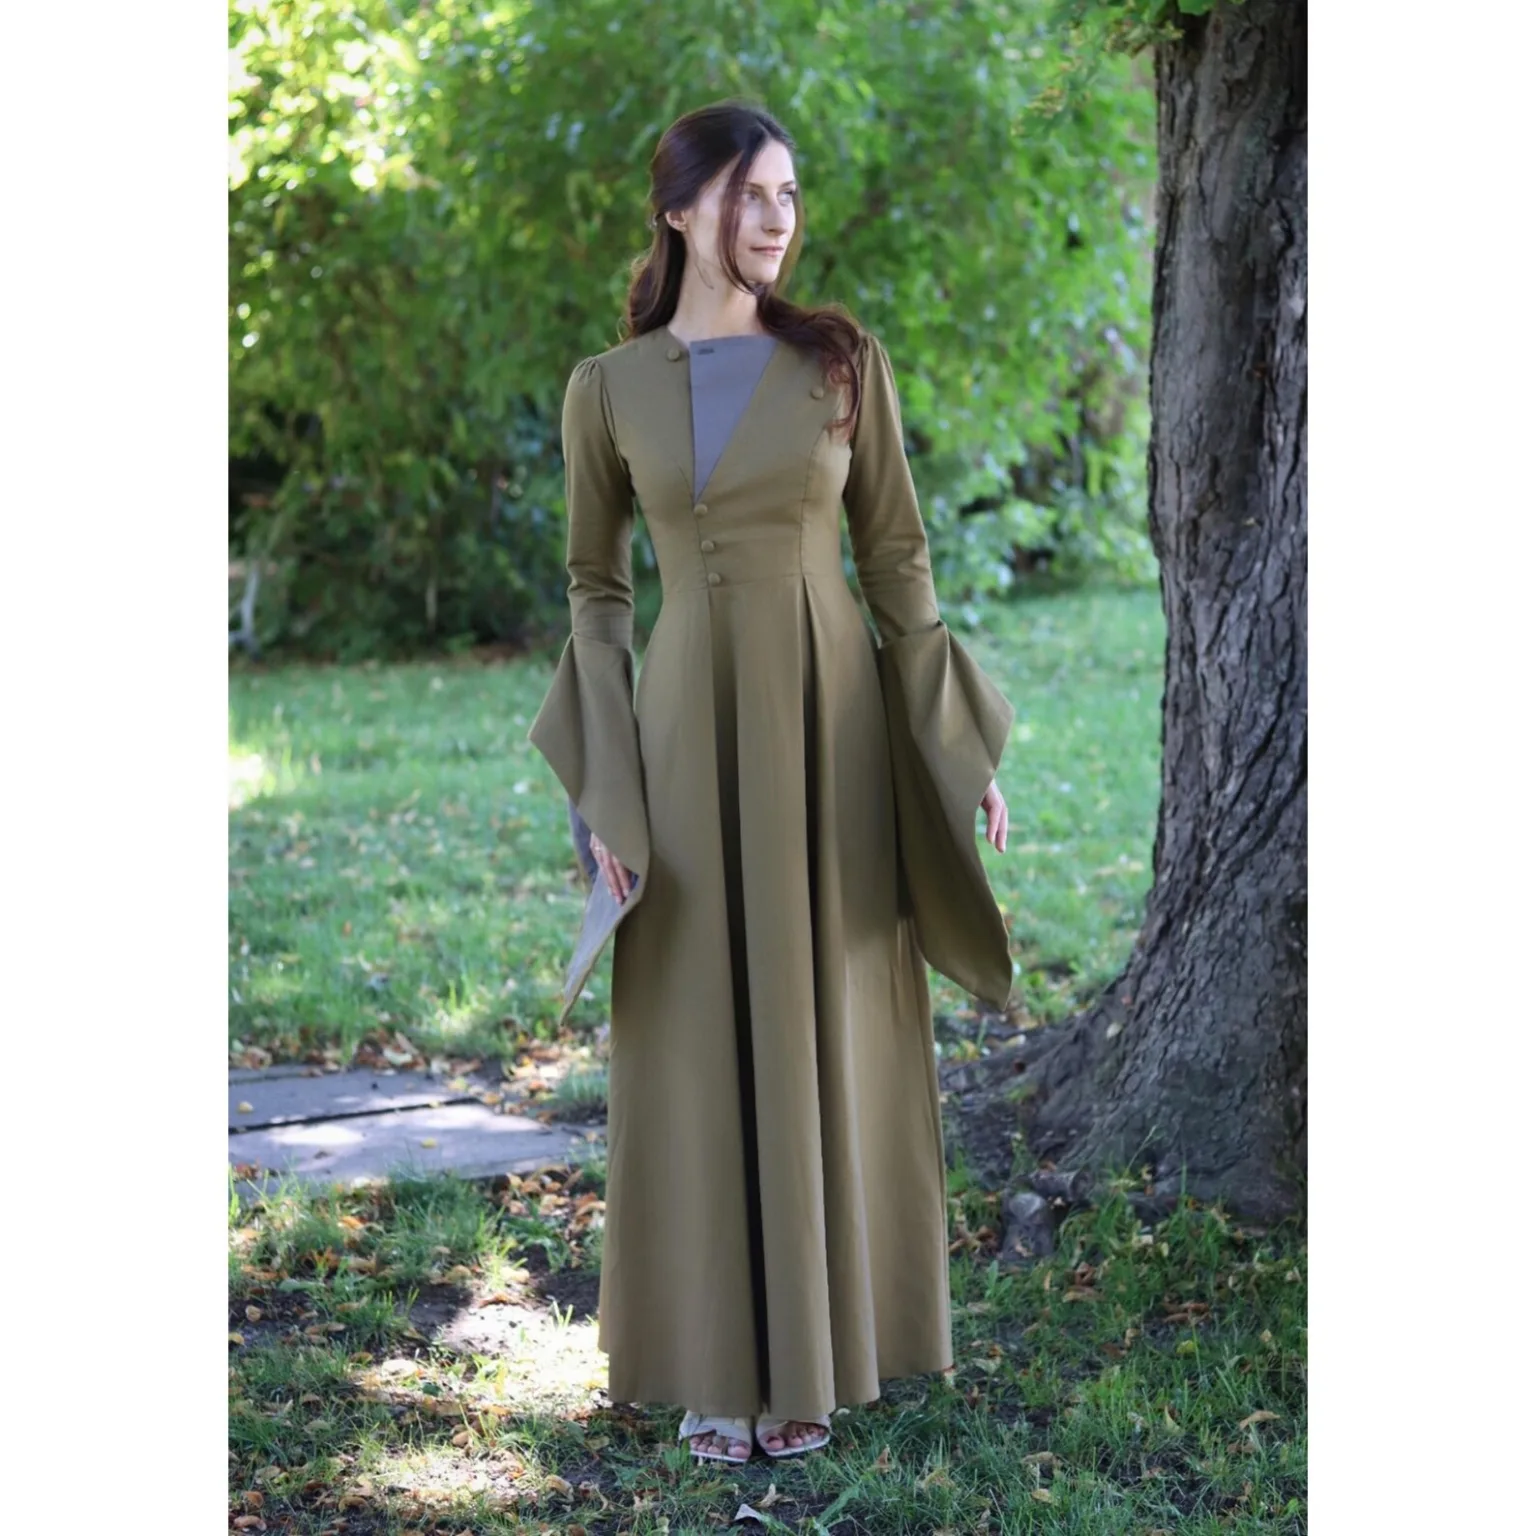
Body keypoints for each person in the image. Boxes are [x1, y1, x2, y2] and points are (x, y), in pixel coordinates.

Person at [527, 99, 1014, 1466]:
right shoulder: (606, 389)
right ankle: (711, 1361)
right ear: (681, 208)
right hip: (685, 728)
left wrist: (952, 746)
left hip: (830, 721)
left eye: (790, 195)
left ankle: (816, 1353)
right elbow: (596, 590)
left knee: (829, 1010)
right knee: (694, 1026)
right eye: (750, 194)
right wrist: (605, 792)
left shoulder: (840, 362)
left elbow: (898, 561)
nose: (777, 219)